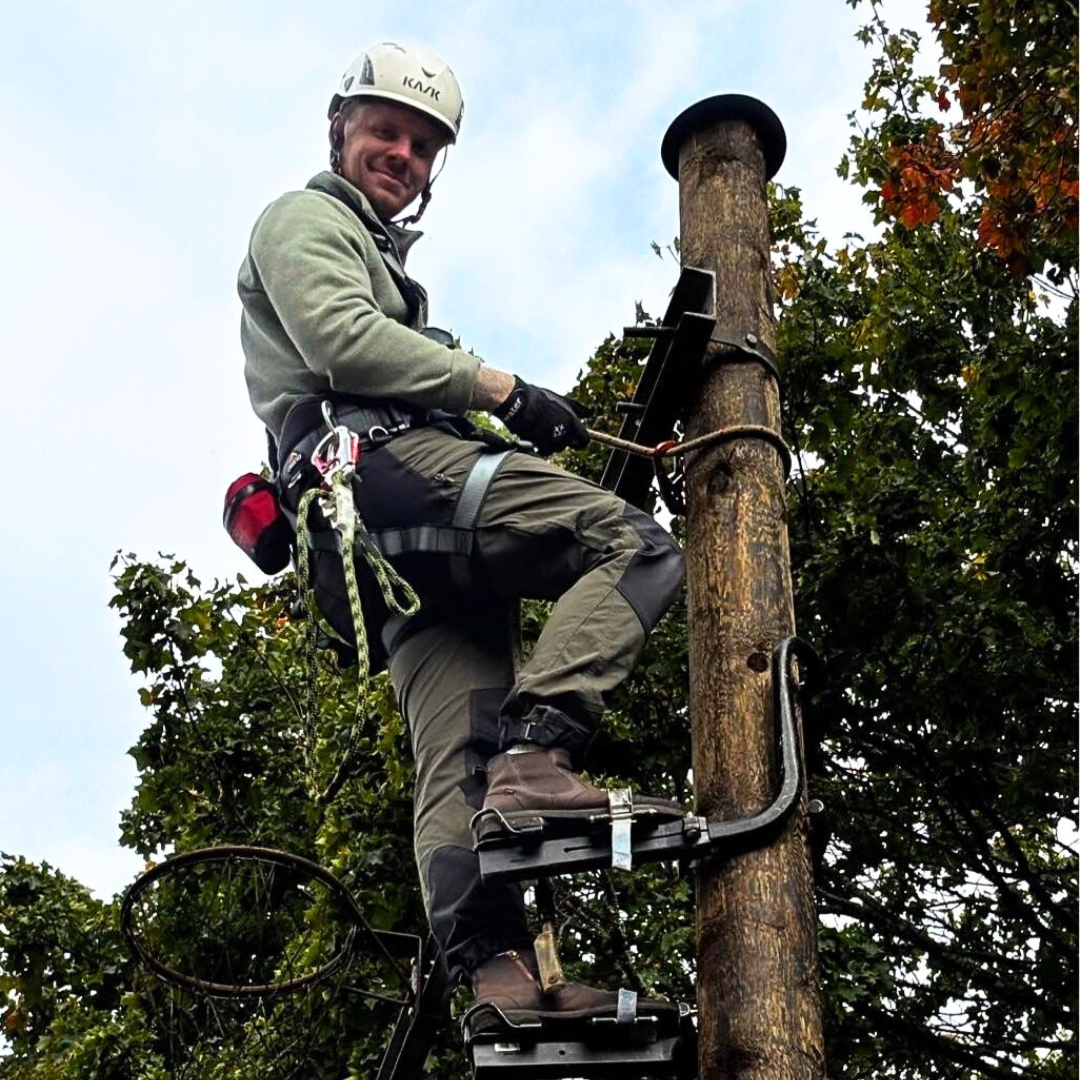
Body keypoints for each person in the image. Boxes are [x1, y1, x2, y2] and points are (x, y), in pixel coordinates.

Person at [238, 41, 685, 1026]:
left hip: (381, 532)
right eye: (386, 131)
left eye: (421, 144)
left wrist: (497, 407)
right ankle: (540, 762)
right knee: (633, 546)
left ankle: (500, 987)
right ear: (341, 127)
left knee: (458, 756)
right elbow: (343, 342)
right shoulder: (304, 219)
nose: (401, 154)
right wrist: (503, 391)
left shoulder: (376, 254)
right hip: (378, 474)